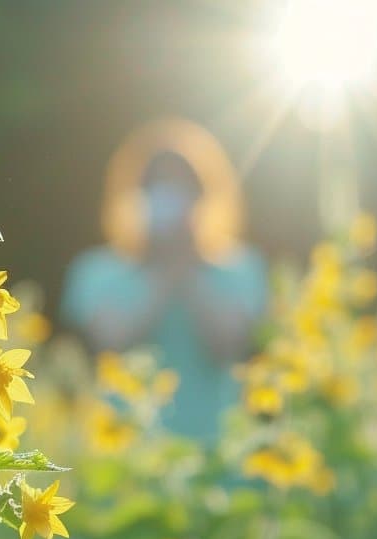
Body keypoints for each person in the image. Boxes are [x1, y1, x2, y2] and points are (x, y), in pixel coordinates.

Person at [61, 119, 267, 441]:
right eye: (157, 185)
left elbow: (228, 343)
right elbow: (112, 342)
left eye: (183, 186)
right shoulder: (97, 270)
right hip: (127, 452)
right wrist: (162, 267)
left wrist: (186, 262)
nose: (171, 197)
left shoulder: (240, 268)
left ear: (203, 196)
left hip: (215, 449)